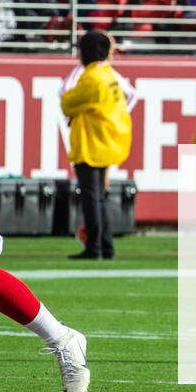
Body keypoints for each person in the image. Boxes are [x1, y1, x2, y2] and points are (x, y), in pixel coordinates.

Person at [60, 31, 131, 260]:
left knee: (91, 199)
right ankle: (106, 245)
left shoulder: (91, 78)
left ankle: (95, 247)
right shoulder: (108, 74)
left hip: (91, 143)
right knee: (99, 197)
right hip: (107, 141)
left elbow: (68, 103)